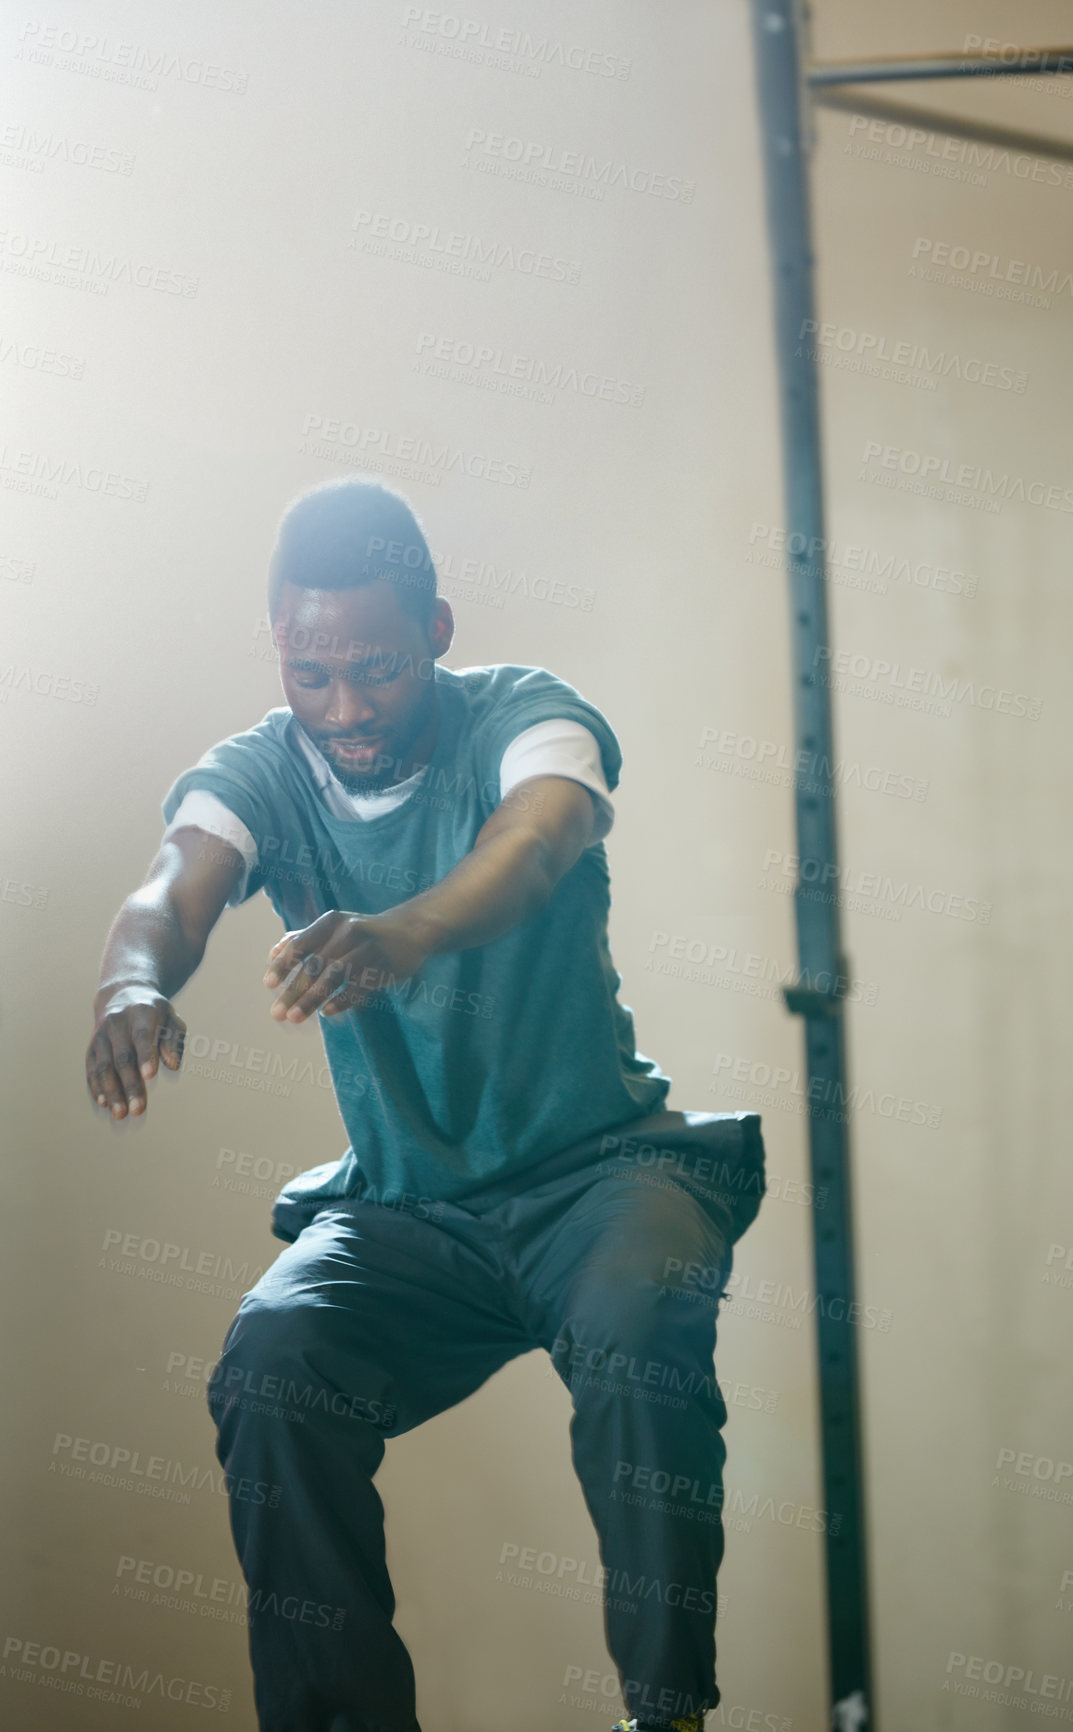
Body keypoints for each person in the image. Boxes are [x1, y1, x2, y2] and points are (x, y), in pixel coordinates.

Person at [87, 477, 767, 1732]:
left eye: (379, 670)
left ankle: (664, 1714)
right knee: (272, 1364)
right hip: (409, 1212)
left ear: (438, 632)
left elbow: (537, 844)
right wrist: (132, 981)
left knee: (635, 1316)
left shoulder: (528, 717)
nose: (345, 709)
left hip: (597, 1176)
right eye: (312, 676)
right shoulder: (264, 771)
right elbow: (173, 887)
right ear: (281, 652)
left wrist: (405, 931)